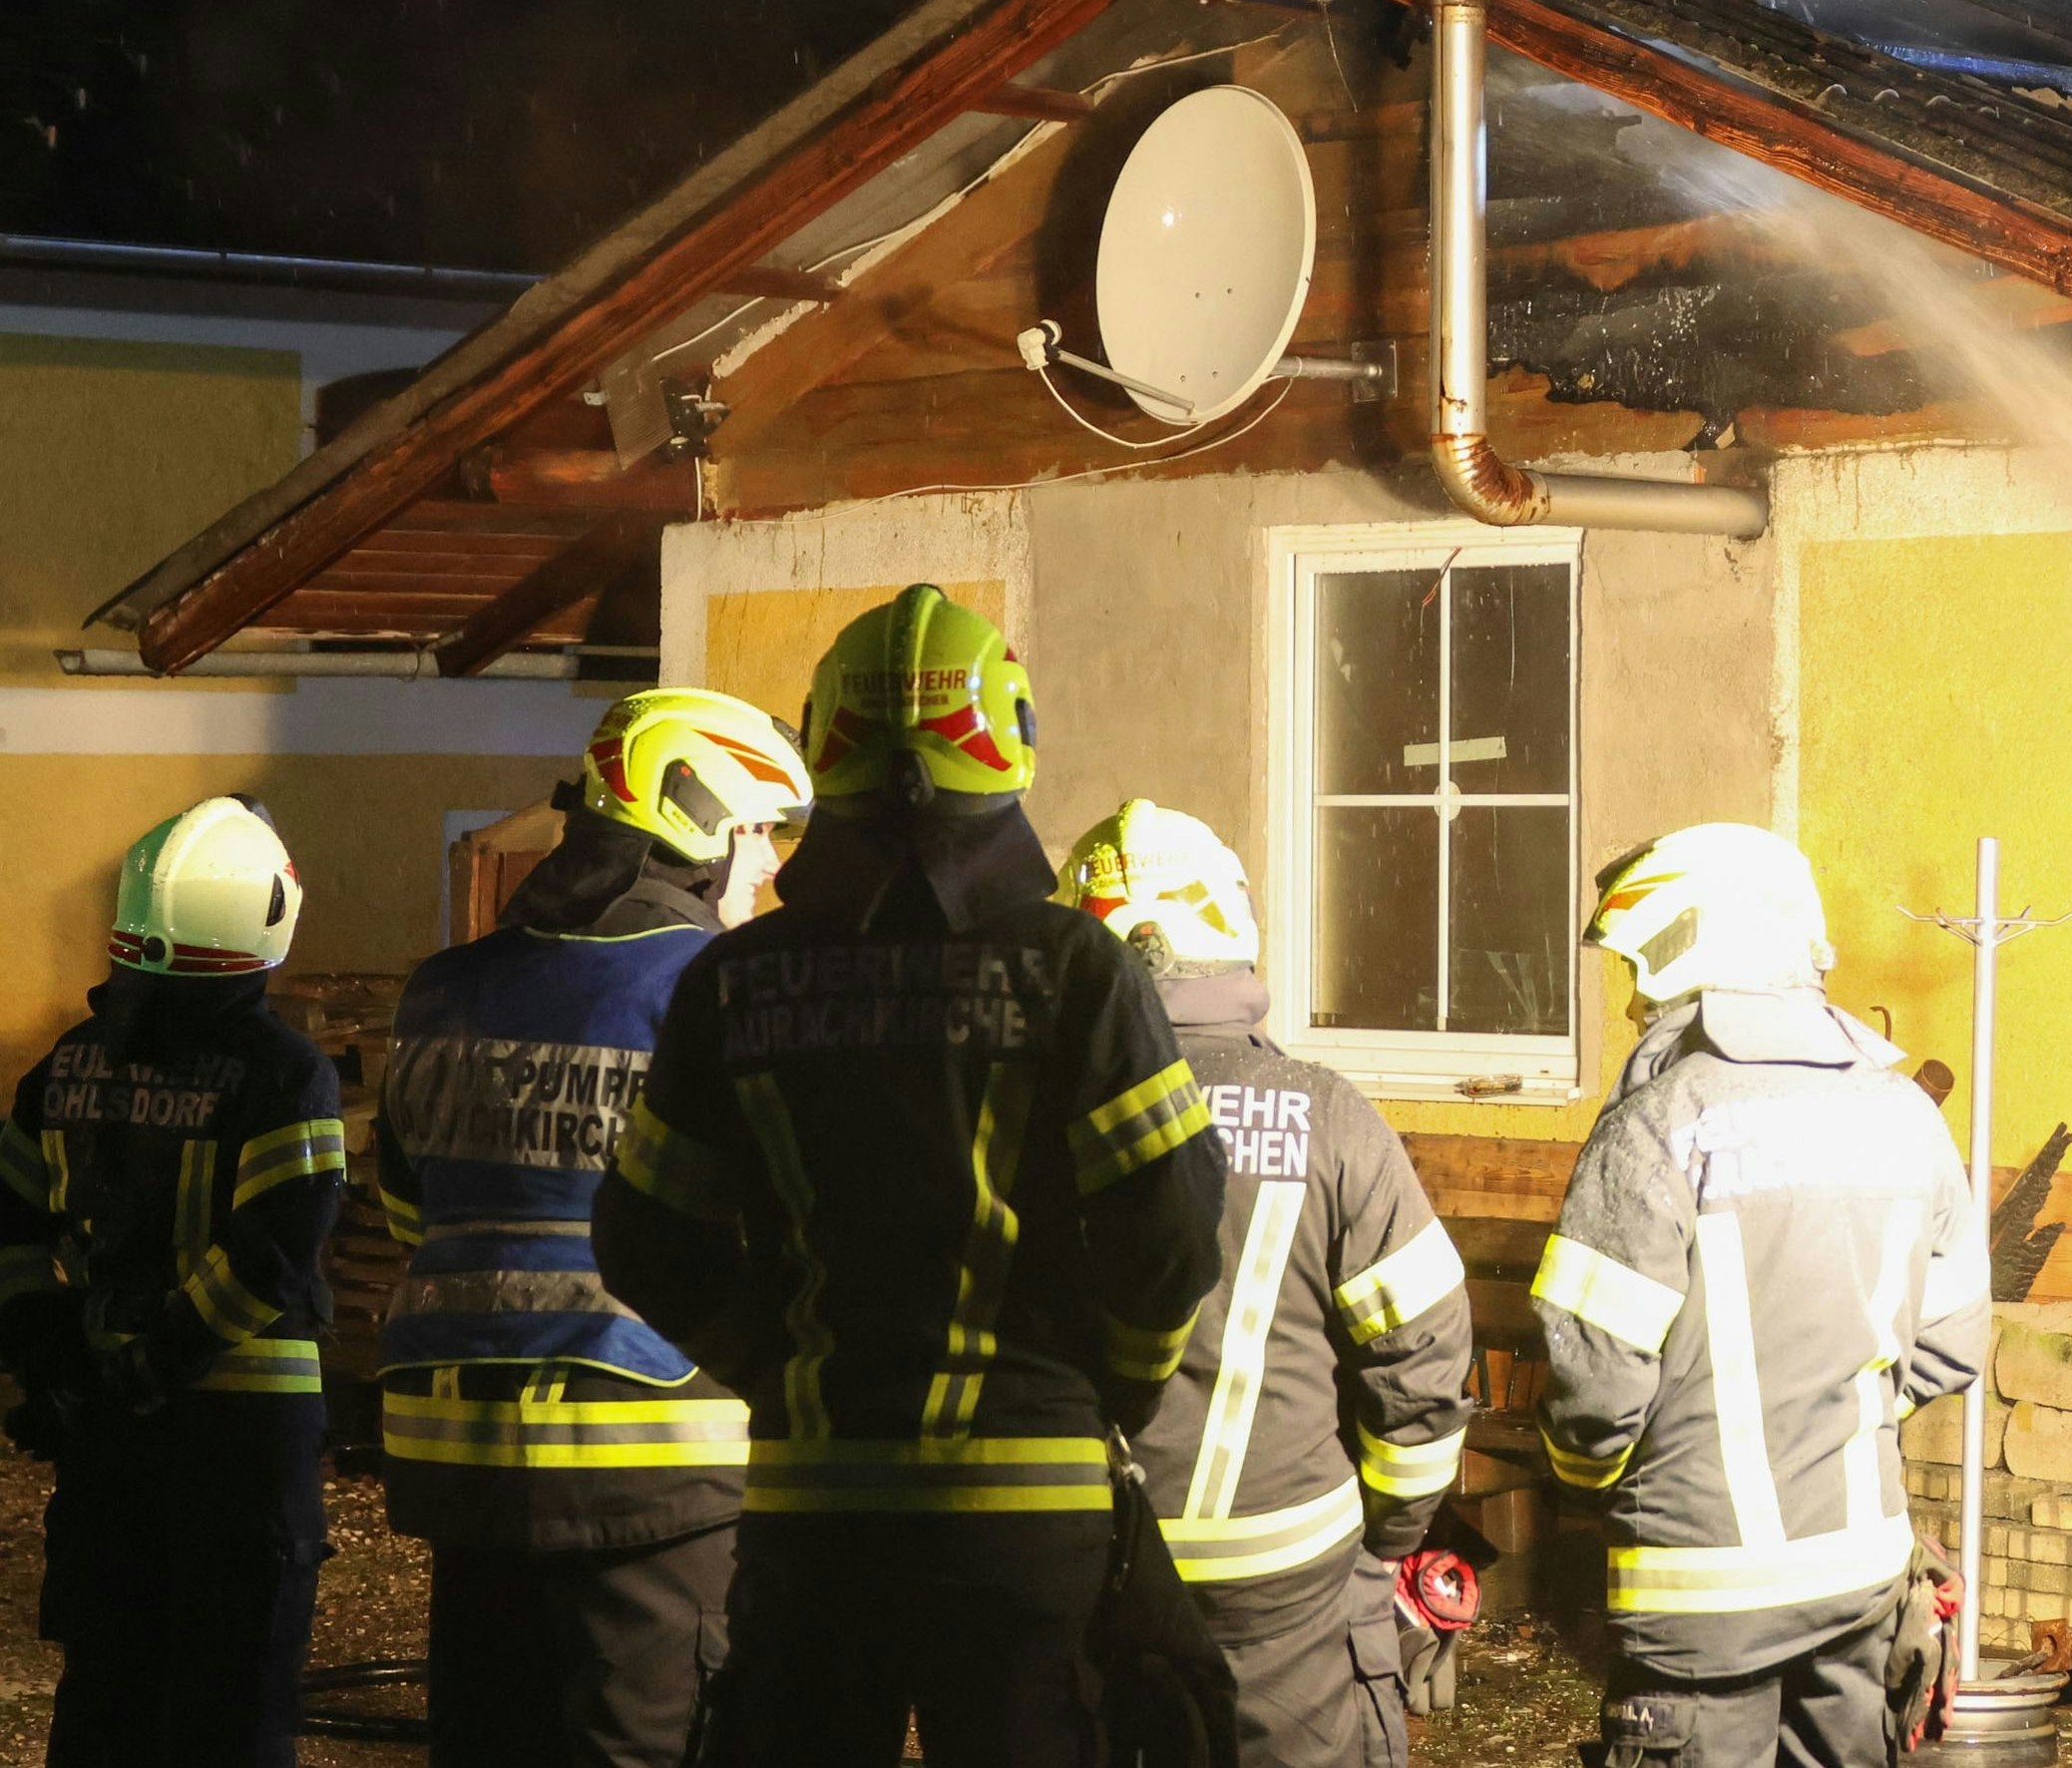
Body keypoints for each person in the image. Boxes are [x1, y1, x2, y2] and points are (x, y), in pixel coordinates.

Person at [593, 584, 1227, 1768]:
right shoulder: (1079, 970)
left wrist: (771, 1367)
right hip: (1028, 1519)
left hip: (813, 1519)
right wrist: (1106, 1391)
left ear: (823, 743)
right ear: (1009, 742)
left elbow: (640, 1237)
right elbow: (1174, 1234)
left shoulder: (729, 982)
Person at [373, 689, 813, 1768]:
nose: (771, 870)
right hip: (653, 1457)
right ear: (704, 823)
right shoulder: (717, 993)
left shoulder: (445, 988)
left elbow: (403, 1207)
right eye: (761, 835)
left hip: (459, 1450)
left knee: (489, 1740)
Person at [1537, 823, 1989, 1768]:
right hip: (1862, 1576)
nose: (1630, 1002)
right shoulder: (1906, 1117)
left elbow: (1595, 1401)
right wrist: (1836, 1410)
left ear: (1695, 949)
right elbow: (1952, 1346)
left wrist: (1597, 1481)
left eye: (1641, 966)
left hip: (1700, 1602)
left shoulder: (1655, 1127)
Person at [1061, 799, 1473, 1768]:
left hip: (1085, 1566)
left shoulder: (1035, 1112)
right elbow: (1425, 1356)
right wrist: (1387, 1534)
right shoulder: (1330, 1119)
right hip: (1289, 1585)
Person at [0, 796, 347, 1767]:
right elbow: (279, 1246)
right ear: (266, 918)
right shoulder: (282, 1072)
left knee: (108, 1698)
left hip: (104, 1431)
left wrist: (54, 1355)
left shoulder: (67, 1065)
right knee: (229, 1712)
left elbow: (9, 1223)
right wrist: (168, 1356)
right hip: (240, 1446)